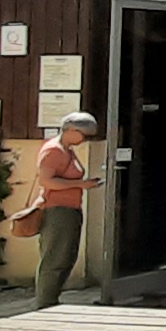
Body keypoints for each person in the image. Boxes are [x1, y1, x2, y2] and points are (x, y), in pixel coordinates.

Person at [32, 111, 102, 308]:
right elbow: (47, 181)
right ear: (71, 130)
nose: (85, 139)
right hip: (56, 209)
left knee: (66, 256)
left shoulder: (67, 150)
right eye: (84, 135)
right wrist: (81, 184)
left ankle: (51, 299)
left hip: (69, 208)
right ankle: (45, 303)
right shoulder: (54, 151)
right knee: (55, 257)